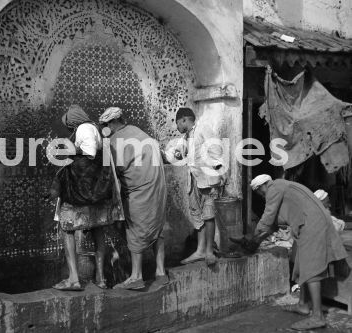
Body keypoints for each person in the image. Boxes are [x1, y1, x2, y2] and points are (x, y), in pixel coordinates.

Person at [239, 175, 348, 331]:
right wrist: (255, 240)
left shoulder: (274, 187)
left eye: (259, 192)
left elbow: (268, 216)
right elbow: (274, 223)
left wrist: (254, 236)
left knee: (311, 269)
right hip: (307, 225)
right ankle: (303, 305)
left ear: (262, 186)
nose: (262, 196)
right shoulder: (283, 189)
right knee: (301, 262)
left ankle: (317, 316)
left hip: (313, 225)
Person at [50, 105, 119, 291]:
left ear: (73, 121)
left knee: (66, 227)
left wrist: (68, 151)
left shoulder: (83, 128)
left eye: (69, 125)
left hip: (80, 191)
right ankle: (101, 278)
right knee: (98, 230)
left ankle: (73, 278)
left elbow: (90, 152)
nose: (70, 129)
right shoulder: (95, 128)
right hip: (97, 191)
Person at [99, 107, 168, 290]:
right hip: (159, 188)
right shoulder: (141, 133)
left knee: (135, 229)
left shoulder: (115, 141)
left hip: (140, 191)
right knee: (157, 227)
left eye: (105, 125)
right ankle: (160, 272)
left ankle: (136, 276)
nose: (104, 129)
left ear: (113, 123)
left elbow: (113, 175)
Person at [166, 107, 225, 265]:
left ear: (184, 120)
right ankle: (200, 251)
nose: (177, 127)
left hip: (208, 179)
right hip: (194, 180)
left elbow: (216, 150)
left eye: (178, 123)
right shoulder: (185, 137)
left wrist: (218, 175)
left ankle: (209, 252)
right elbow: (176, 152)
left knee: (209, 215)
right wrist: (173, 154)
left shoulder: (202, 129)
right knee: (197, 215)